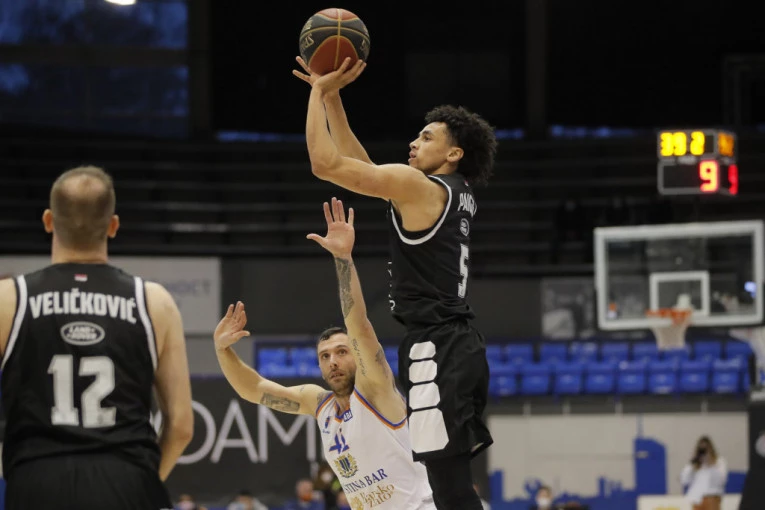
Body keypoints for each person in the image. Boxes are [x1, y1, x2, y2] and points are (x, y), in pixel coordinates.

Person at [294, 56, 497, 509]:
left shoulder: (421, 187)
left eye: (426, 137)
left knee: (449, 485)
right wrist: (333, 98)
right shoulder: (447, 193)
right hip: (449, 343)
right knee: (446, 481)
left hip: (439, 346)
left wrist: (315, 93)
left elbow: (326, 164)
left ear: (454, 154)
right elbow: (361, 167)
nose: (413, 142)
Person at [214, 198, 435, 509]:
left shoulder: (376, 389)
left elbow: (358, 324)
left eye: (342, 351)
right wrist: (222, 350)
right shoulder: (319, 404)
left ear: (357, 356)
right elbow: (254, 389)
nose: (333, 361)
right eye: (325, 356)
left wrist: (343, 258)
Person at [0, 166, 194, 509]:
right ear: (113, 225)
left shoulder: (9, 299)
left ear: (48, 221)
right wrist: (144, 479)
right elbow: (180, 426)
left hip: (36, 478)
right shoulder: (154, 302)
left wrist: (14, 473)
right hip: (127, 478)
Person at [680, 436, 728, 510]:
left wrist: (710, 464)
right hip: (697, 499)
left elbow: (722, 480)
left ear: (711, 449)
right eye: (701, 449)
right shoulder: (695, 464)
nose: (703, 452)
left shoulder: (719, 461)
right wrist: (692, 463)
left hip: (712, 497)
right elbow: (684, 480)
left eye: (705, 449)